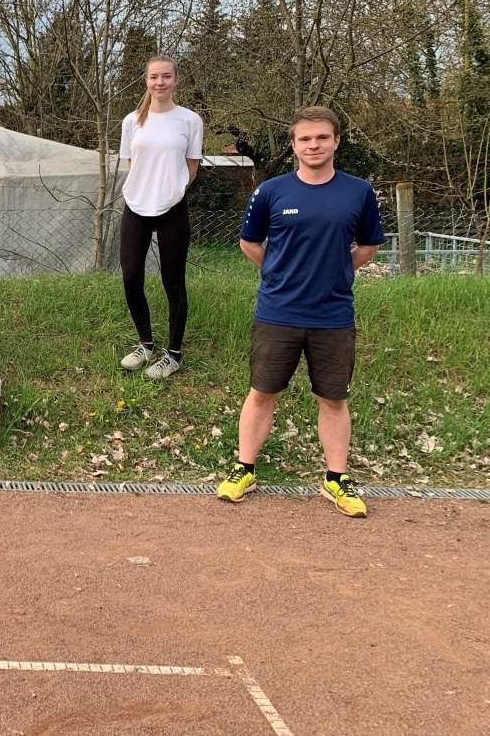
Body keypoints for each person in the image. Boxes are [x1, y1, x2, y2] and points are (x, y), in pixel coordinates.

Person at [217, 106, 384, 517]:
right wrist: (277, 274)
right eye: (305, 138)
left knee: (333, 399)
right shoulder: (271, 191)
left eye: (322, 137)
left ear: (336, 141)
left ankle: (336, 479)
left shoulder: (359, 191)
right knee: (262, 393)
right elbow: (249, 243)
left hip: (333, 316)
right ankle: (244, 469)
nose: (314, 145)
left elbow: (369, 245)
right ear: (293, 145)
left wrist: (340, 272)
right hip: (278, 313)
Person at [117, 55, 203, 379]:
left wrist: (170, 193)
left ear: (175, 80)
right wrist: (147, 191)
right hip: (136, 205)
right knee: (130, 276)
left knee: (173, 281)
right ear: (146, 81)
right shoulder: (131, 121)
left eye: (166, 76)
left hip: (172, 207)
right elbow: (133, 166)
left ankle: (174, 354)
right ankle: (147, 345)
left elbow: (191, 168)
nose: (160, 82)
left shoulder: (190, 120)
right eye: (154, 77)